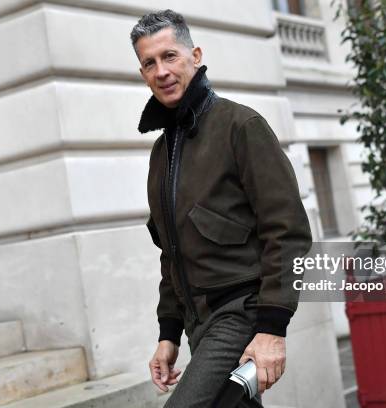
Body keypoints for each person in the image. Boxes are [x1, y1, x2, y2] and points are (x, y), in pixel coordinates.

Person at [131, 9, 312, 407]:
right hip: (199, 323)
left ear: (195, 55)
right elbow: (171, 253)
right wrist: (168, 333)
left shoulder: (240, 126)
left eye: (170, 56)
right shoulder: (162, 152)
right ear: (142, 73)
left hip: (240, 314)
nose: (161, 70)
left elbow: (288, 231)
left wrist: (272, 328)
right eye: (149, 63)